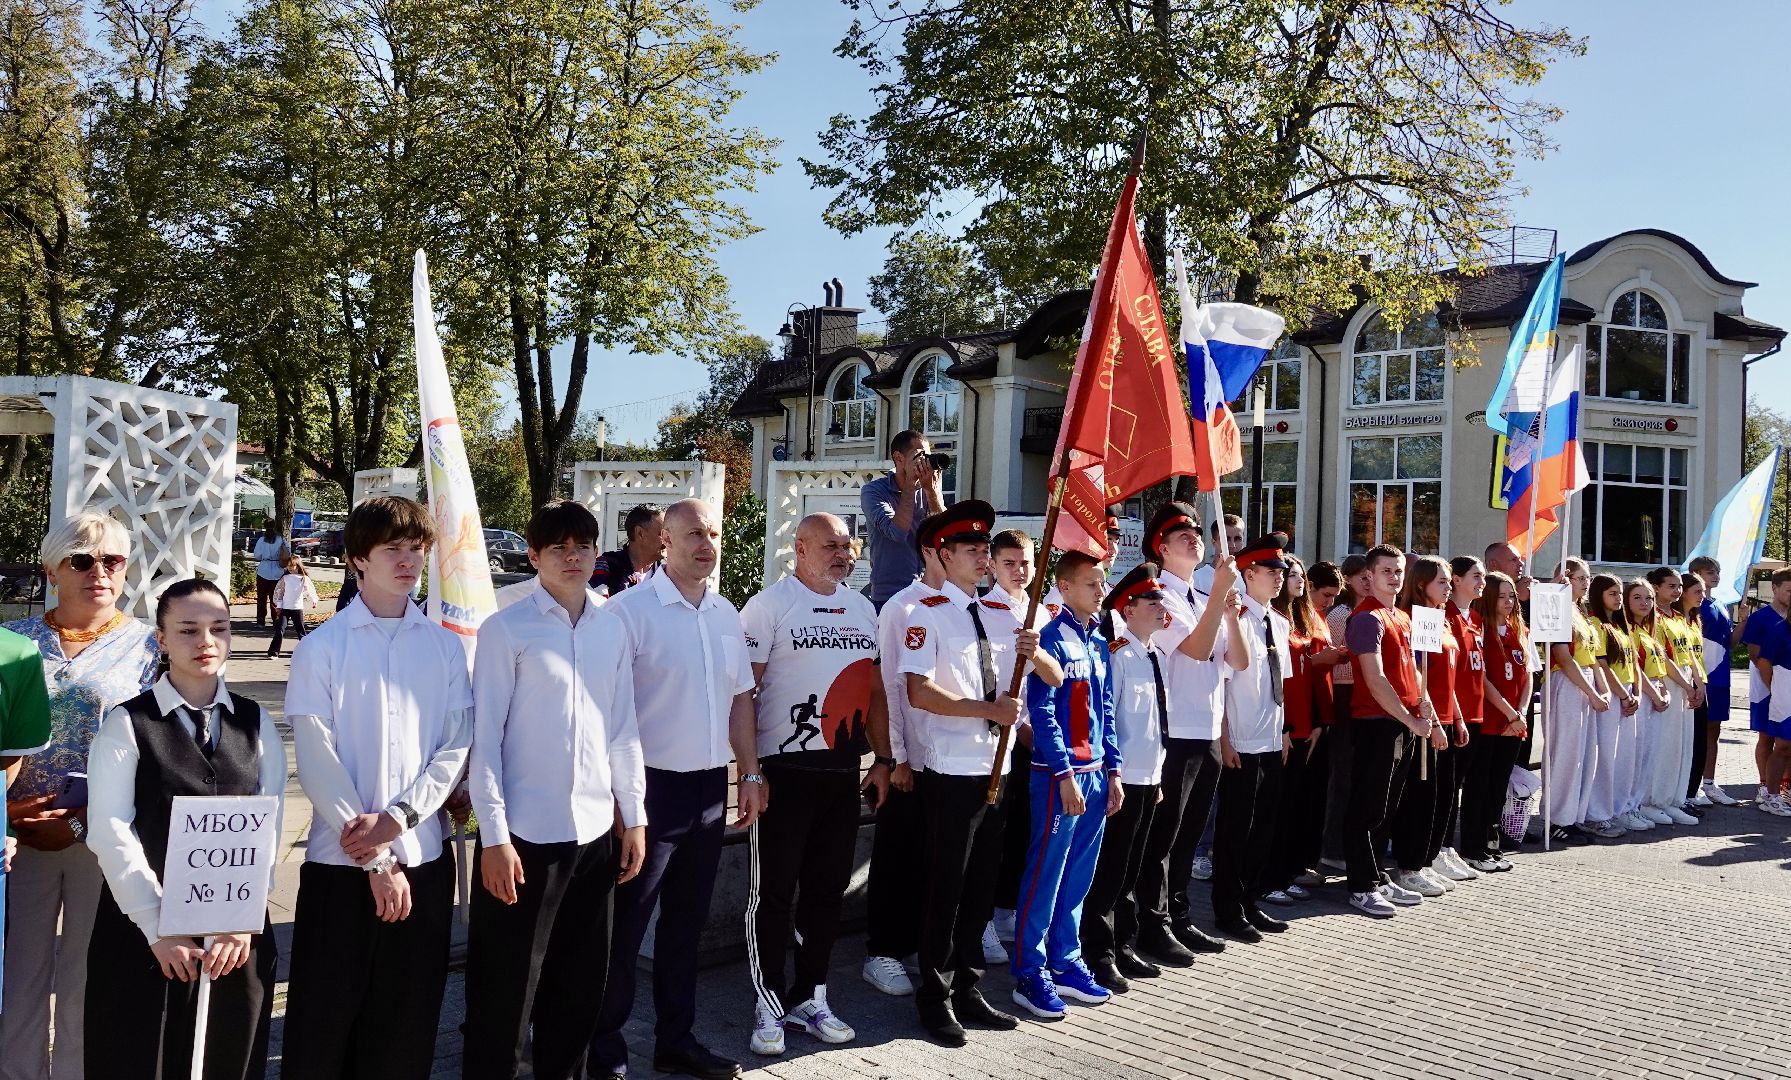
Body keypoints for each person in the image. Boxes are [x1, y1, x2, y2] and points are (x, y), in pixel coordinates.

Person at [281, 496, 473, 1079]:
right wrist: (374, 857)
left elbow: (455, 745)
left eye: (417, 548)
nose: (409, 560)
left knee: (407, 1022)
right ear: (357, 558)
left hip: (423, 859)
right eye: (393, 548)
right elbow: (315, 757)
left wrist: (400, 819)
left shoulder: (443, 647)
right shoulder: (323, 647)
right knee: (324, 1022)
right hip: (340, 865)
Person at [463, 500, 647, 1079]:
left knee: (580, 983)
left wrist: (634, 815)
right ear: (534, 555)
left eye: (583, 547)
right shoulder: (505, 627)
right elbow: (484, 739)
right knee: (507, 989)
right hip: (521, 838)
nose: (573, 558)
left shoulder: (611, 624)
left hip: (592, 833)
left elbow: (622, 727)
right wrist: (492, 837)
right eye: (559, 549)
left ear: (597, 553)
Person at [586, 498, 760, 1080]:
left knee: (685, 927)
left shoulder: (724, 612)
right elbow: (603, 714)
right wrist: (619, 800)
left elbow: (741, 700)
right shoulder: (628, 612)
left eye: (712, 532)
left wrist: (750, 773)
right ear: (664, 540)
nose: (705, 543)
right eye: (691, 533)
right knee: (624, 927)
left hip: (709, 789)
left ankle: (675, 1040)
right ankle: (603, 1048)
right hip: (647, 793)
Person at [83, 578, 284, 1080]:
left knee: (228, 1057)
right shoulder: (127, 724)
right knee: (139, 1056)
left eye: (219, 628)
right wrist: (157, 925)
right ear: (161, 640)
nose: (206, 642)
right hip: (144, 933)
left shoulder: (257, 723)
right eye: (189, 630)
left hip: (235, 936)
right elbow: (109, 828)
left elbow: (269, 822)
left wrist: (241, 916)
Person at [2, 511, 160, 1079]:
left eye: (113, 561)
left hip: (106, 836)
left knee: (86, 975)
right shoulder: (14, 642)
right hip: (18, 840)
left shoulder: (150, 646)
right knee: (19, 974)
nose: (99, 572)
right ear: (52, 568)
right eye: (82, 560)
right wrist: (6, 812)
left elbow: (163, 749)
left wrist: (82, 820)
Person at [739, 513, 892, 1057]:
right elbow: (743, 695)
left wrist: (883, 758)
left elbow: (873, 691)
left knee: (827, 894)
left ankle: (812, 995)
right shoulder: (768, 606)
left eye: (849, 547)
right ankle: (768, 1002)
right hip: (783, 775)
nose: (843, 555)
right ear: (799, 548)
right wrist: (749, 772)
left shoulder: (861, 608)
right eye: (831, 546)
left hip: (841, 775)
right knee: (773, 895)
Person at [898, 500, 1032, 1045]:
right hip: (950, 769)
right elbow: (919, 690)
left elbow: (1024, 677)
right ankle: (934, 996)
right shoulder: (924, 613)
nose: (983, 557)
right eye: (972, 550)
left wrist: (1033, 652)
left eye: (986, 548)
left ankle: (968, 987)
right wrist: (988, 710)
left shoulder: (1003, 614)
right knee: (946, 887)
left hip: (995, 767)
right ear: (944, 555)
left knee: (981, 885)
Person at [1009, 550, 1120, 1020]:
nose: (1101, 591)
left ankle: (1066, 959)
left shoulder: (1097, 640)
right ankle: (1029, 971)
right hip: (1061, 777)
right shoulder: (1049, 641)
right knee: (1046, 873)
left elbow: (1106, 711)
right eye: (1092, 583)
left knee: (1079, 875)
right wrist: (1064, 774)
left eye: (1102, 583)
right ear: (1065, 587)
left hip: (1096, 775)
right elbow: (1044, 713)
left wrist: (1114, 771)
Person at [1132, 502, 1243, 964]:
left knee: (1188, 834)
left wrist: (1230, 612)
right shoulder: (1163, 596)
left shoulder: (1201, 595)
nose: (1194, 538)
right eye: (1182, 534)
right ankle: (1151, 925)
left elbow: (1236, 662)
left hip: (1205, 728)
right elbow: (1196, 650)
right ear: (1161, 546)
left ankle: (1178, 917)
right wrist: (1220, 594)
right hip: (1174, 731)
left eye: (1198, 532)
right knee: (1163, 837)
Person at [861, 530, 947, 997]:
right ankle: (882, 951)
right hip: (908, 760)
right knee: (896, 854)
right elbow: (889, 688)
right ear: (934, 553)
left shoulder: (960, 606)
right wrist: (894, 756)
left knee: (928, 857)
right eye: (964, 548)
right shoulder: (903, 608)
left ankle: (914, 942)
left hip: (946, 760)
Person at [1080, 563, 1171, 993]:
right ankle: (1098, 953)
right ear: (1128, 609)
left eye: (1160, 599)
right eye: (1151, 601)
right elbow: (1106, 721)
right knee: (1111, 869)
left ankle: (1124, 943)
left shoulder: (1154, 655)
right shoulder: (1115, 655)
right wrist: (1113, 773)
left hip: (1148, 775)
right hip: (1121, 778)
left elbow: (1155, 724)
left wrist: (1157, 776)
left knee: (1132, 867)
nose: (1160, 607)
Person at [1339, 544, 1436, 918]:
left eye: (1398, 571)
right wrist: (1410, 718)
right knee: (1367, 807)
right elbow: (1374, 678)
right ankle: (1361, 887)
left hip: (1401, 722)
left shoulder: (1402, 617)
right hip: (1376, 724)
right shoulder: (1367, 619)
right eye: (1386, 571)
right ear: (1369, 576)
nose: (1394, 577)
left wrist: (1420, 704)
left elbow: (1409, 670)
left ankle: (1376, 876)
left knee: (1387, 807)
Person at [1210, 534, 1295, 942]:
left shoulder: (1278, 621)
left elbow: (1280, 686)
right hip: (1241, 740)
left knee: (1263, 827)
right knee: (1235, 830)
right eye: (1271, 571)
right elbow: (1224, 685)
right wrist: (1225, 739)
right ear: (1249, 574)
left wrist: (1284, 732)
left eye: (1282, 571)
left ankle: (1250, 900)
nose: (1280, 577)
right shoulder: (1235, 619)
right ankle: (1228, 909)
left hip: (1269, 738)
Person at [986, 529, 1064, 958]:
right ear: (994, 566)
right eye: (1010, 563)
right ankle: (982, 917)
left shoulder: (1044, 616)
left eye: (1027, 563)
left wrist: (1036, 652)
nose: (1020, 571)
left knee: (1025, 828)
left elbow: (1056, 678)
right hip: (1003, 737)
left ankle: (1006, 908)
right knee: (996, 831)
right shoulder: (984, 611)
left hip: (1038, 737)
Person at [1261, 557, 1346, 904]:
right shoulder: (1277, 621)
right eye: (1289, 574)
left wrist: (1314, 723)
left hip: (1304, 723)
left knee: (1294, 806)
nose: (1293, 579)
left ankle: (1284, 872)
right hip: (1281, 725)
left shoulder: (1304, 618)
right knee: (1277, 808)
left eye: (1296, 574)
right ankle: (1269, 877)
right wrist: (1288, 725)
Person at [1386, 555, 1456, 900]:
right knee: (1419, 793)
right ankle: (1408, 865)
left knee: (1437, 794)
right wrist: (1433, 721)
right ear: (1421, 584)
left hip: (1440, 717)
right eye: (1441, 581)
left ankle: (1425, 859)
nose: (1448, 587)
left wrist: (1451, 716)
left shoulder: (1441, 620)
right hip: (1420, 720)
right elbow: (1415, 675)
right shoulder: (1415, 619)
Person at [1461, 571, 1531, 872]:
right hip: (1490, 720)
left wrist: (1521, 712)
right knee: (1480, 786)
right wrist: (1508, 712)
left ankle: (1491, 842)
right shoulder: (1480, 628)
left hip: (1514, 723)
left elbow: (1528, 673)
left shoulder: (1520, 629)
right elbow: (1483, 678)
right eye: (1501, 596)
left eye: (1512, 595)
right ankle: (1472, 848)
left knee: (1499, 785)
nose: (1508, 601)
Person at [1543, 559, 1610, 845]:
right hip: (1567, 683)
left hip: (1585, 682)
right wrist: (1591, 692)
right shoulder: (1556, 608)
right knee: (1566, 754)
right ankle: (1556, 818)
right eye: (1580, 577)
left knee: (1584, 755)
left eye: (1588, 577)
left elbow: (1593, 657)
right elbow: (1562, 656)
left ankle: (1573, 815)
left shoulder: (1581, 613)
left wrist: (1602, 688)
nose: (1585, 582)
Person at [1434, 556, 1488, 882]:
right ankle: (1436, 848)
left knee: (1458, 787)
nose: (1481, 582)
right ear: (1456, 579)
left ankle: (1446, 847)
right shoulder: (1445, 616)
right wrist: (1455, 715)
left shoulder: (1476, 618)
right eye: (1476, 576)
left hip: (1476, 712)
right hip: (1455, 714)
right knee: (1446, 787)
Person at [1318, 554, 1370, 875]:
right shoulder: (1342, 613)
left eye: (1370, 575)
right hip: (1344, 695)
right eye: (1361, 576)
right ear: (1348, 580)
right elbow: (1336, 654)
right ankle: (1332, 848)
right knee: (1343, 776)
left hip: (1364, 695)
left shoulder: (1374, 611)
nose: (1367, 581)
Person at [1642, 569, 1702, 826]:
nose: (1677, 591)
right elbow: (1663, 658)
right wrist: (1687, 686)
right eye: (1671, 586)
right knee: (1665, 745)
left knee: (1682, 745)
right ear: (1655, 587)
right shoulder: (1652, 618)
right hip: (1669, 683)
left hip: (1686, 683)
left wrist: (1699, 684)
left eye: (1679, 586)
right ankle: (1653, 800)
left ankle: (1674, 799)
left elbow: (1690, 655)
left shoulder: (1678, 616)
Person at [862, 430, 945, 610]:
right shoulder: (873, 492)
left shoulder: (928, 488)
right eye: (919, 455)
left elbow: (945, 535)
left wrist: (932, 492)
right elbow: (897, 533)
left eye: (927, 456)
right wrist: (910, 484)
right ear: (898, 458)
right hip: (889, 595)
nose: (924, 462)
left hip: (928, 590)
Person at [1687, 557, 1741, 805]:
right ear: (1695, 573)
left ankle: (1709, 782)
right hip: (1699, 677)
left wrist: (1746, 624)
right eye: (1710, 572)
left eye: (1717, 572)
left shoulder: (1721, 605)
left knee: (1714, 730)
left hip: (1720, 677)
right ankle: (1691, 784)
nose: (1716, 576)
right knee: (1694, 731)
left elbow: (1729, 642)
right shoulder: (1691, 606)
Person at [1742, 568, 1791, 816]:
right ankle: (1766, 787)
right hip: (1768, 689)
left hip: (1783, 689)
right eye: (1789, 590)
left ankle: (1785, 787)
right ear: (1775, 588)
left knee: (1787, 743)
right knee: (1769, 739)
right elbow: (1757, 656)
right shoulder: (1763, 619)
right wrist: (1776, 688)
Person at [591, 504, 667, 597]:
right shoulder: (605, 567)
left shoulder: (668, 572)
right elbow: (598, 608)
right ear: (640, 533)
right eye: (662, 534)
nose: (669, 540)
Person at [267, 555, 319, 658]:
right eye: (288, 566)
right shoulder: (285, 578)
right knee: (280, 630)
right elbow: (279, 591)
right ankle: (274, 652)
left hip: (297, 609)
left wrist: (314, 600)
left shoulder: (303, 578)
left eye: (293, 565)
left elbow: (311, 589)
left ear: (298, 566)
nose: (290, 568)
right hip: (285, 609)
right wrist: (278, 604)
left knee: (301, 631)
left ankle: (307, 651)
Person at [250, 521, 291, 627]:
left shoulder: (261, 540)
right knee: (276, 598)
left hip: (263, 570)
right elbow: (288, 553)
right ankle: (276, 621)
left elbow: (257, 555)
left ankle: (260, 622)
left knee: (261, 598)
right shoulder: (280, 539)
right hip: (278, 570)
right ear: (275, 526)